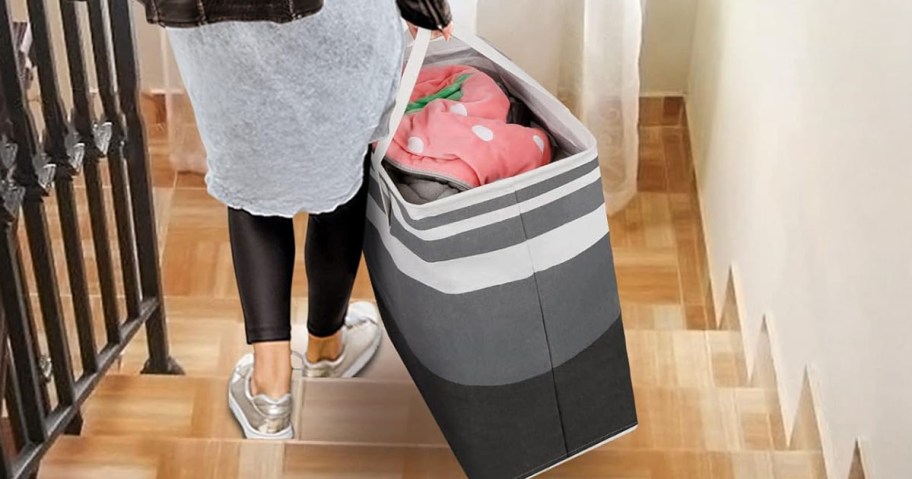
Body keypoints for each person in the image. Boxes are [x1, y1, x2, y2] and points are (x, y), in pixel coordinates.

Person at [136, 0, 453, 439]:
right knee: (344, 168)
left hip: (216, 23)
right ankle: (326, 347)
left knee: (251, 177)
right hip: (337, 21)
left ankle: (270, 392)